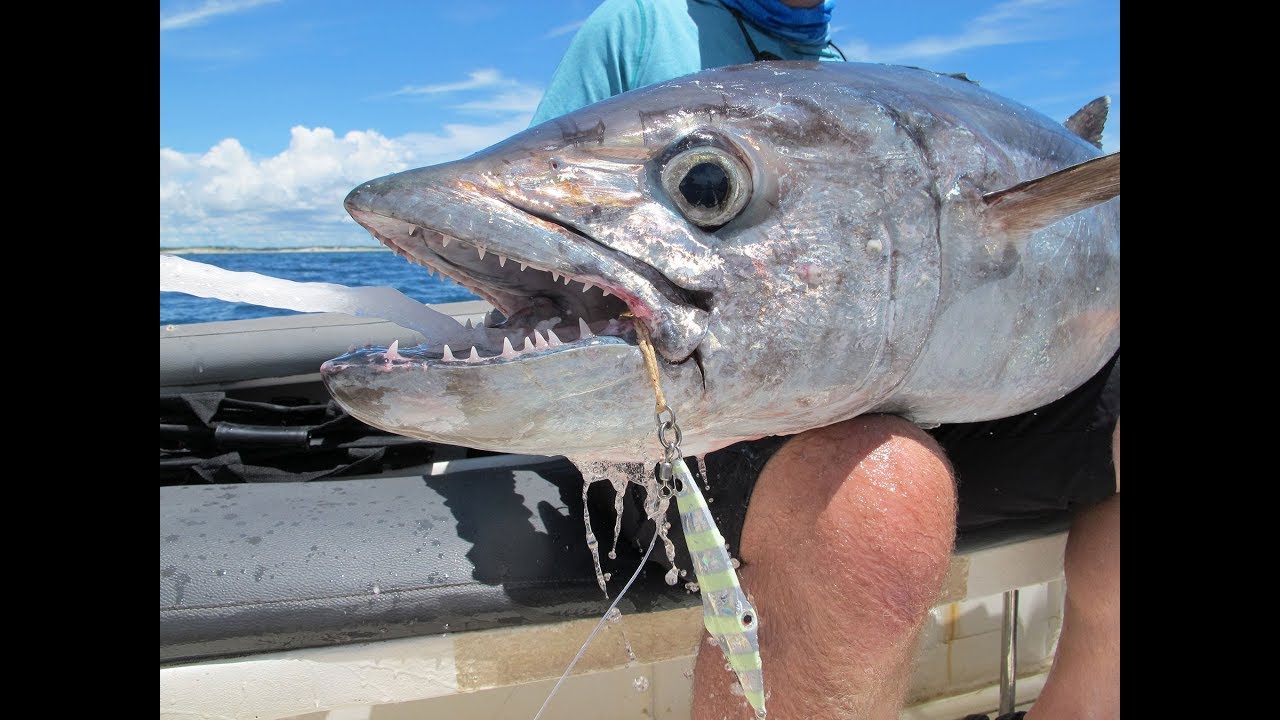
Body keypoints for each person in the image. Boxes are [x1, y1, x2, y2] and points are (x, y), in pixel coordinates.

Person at [534, 3, 1120, 719]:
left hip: (889, 393)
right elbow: (546, 236)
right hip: (696, 420)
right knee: (876, 498)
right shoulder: (642, 25)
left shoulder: (842, 70)